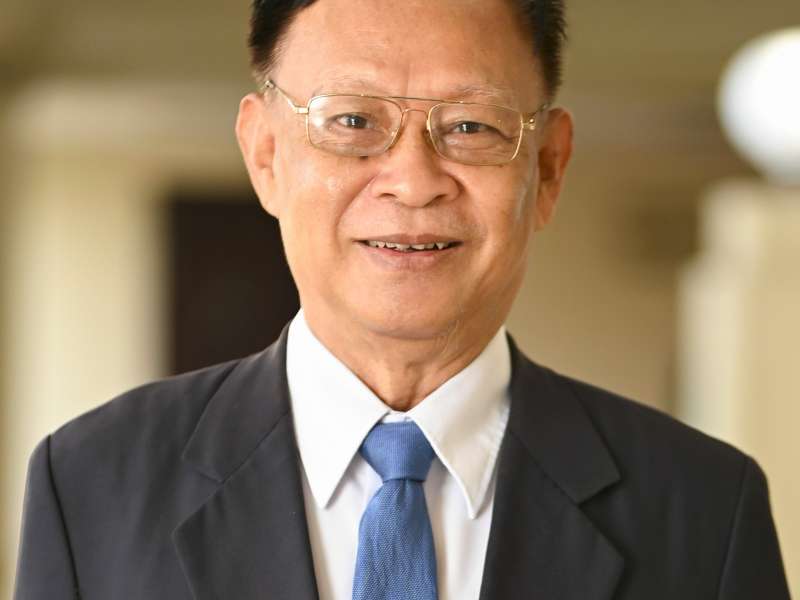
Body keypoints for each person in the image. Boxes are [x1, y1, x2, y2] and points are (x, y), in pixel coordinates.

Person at [14, 0, 791, 598]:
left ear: (549, 168)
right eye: (353, 121)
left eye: (471, 126)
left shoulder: (703, 509)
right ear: (266, 155)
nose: (414, 182)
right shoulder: (90, 484)